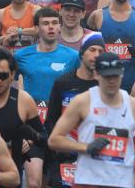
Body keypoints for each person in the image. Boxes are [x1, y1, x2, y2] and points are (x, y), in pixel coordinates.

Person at [48, 52, 135, 188]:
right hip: (89, 181)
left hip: (121, 181)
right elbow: (54, 140)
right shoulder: (82, 101)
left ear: (122, 73)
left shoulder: (134, 105)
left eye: (115, 75)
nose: (111, 81)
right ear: (96, 74)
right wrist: (86, 148)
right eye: (107, 76)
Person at [0, 47, 47, 188]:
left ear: (12, 75)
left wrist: (29, 141)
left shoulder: (24, 100)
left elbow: (43, 137)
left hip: (11, 177)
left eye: (3, 76)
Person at [44, 32, 104, 187]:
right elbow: (51, 121)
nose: (96, 55)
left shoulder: (106, 86)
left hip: (95, 157)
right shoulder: (63, 83)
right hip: (65, 156)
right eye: (92, 50)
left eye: (101, 51)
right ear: (82, 53)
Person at [14, 7, 79, 105]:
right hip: (31, 115)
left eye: (55, 23)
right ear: (36, 28)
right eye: (45, 23)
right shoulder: (20, 56)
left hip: (61, 115)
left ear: (60, 27)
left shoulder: (74, 56)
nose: (51, 26)